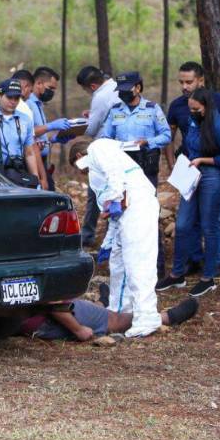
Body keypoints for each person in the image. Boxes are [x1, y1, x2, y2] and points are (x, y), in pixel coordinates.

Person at [68, 138, 163, 337]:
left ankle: (146, 317)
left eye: (79, 168)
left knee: (138, 263)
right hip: (124, 214)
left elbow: (114, 175)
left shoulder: (98, 148)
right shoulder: (96, 175)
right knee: (119, 264)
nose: (82, 173)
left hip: (137, 205)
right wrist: (108, 242)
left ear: (78, 157)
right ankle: (120, 311)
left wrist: (116, 196)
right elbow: (112, 214)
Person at [156, 88, 220, 297]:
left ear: (206, 107)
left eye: (195, 109)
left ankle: (208, 277)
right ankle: (177, 273)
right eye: (190, 108)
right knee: (182, 224)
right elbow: (188, 144)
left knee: (209, 226)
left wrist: (203, 160)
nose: (191, 112)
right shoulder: (193, 121)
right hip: (191, 173)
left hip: (212, 175)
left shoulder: (218, 125)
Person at [102, 71, 171, 277]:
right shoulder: (115, 111)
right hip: (121, 171)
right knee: (119, 214)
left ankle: (156, 270)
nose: (122, 95)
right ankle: (124, 268)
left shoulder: (151, 109)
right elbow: (106, 137)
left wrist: (147, 142)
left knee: (148, 217)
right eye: (120, 91)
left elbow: (166, 135)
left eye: (127, 90)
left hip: (145, 169)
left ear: (138, 88)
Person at [17, 292, 199, 341]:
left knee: (80, 304)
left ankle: (100, 303)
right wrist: (78, 330)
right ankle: (166, 318)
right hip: (45, 320)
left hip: (25, 323)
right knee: (114, 320)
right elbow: (53, 300)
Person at [76, 66, 121, 247]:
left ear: (92, 86)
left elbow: (92, 129)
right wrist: (93, 115)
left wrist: (77, 127)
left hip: (104, 150)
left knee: (96, 191)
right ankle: (112, 235)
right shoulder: (116, 87)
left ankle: (88, 235)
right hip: (120, 149)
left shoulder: (100, 96)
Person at [0, 70, 47, 189]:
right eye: (31, 91)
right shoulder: (23, 109)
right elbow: (30, 150)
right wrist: (40, 178)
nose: (29, 95)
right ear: (25, 87)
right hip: (12, 173)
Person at [27, 66, 72, 192]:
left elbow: (38, 134)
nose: (52, 92)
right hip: (33, 160)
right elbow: (27, 132)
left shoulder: (38, 104)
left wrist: (53, 139)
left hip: (42, 159)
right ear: (39, 83)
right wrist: (50, 126)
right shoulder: (27, 104)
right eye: (50, 88)